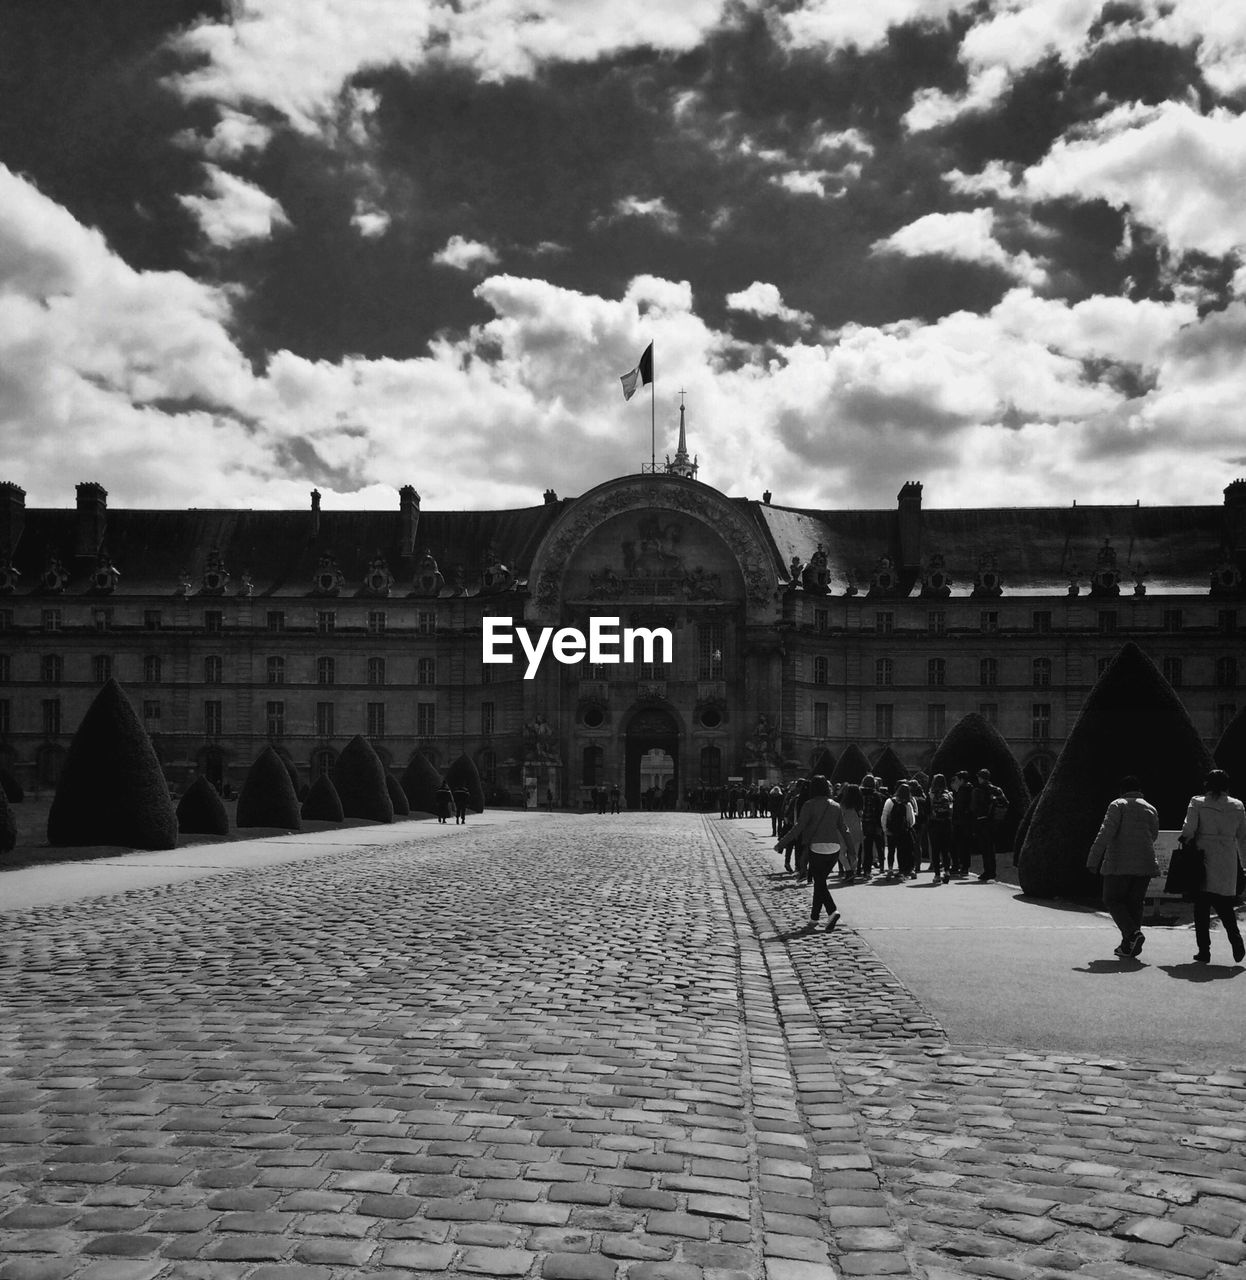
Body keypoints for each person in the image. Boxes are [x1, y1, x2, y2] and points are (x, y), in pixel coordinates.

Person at [1086, 775, 1159, 959]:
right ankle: (1128, 946)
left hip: (1119, 862)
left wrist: (1093, 859)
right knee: (1135, 903)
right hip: (1146, 862)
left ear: (1122, 790)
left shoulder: (1117, 805)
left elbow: (1105, 833)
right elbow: (1154, 835)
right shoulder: (1150, 808)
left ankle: (1133, 934)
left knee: (1112, 899)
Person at [1179, 769, 1246, 964]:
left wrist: (1185, 840)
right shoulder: (1238, 806)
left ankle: (1204, 951)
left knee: (1201, 907)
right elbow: (1243, 839)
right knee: (1225, 905)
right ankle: (1236, 941)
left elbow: (1188, 829)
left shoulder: (1198, 803)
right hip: (1227, 858)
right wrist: (1244, 865)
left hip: (1202, 857)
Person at [775, 775, 855, 931]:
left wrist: (781, 843)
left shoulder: (809, 805)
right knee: (820, 882)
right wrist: (852, 851)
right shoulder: (835, 805)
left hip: (817, 848)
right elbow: (844, 830)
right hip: (834, 848)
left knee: (819, 882)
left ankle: (832, 911)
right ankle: (814, 918)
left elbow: (798, 828)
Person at [969, 768, 1007, 882]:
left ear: (981, 778)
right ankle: (992, 871)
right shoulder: (996, 789)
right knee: (990, 847)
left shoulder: (978, 790)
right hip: (994, 821)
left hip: (982, 820)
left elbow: (974, 807)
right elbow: (1005, 802)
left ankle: (988, 871)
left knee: (985, 847)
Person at [882, 781, 917, 879]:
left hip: (892, 830)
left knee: (891, 850)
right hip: (903, 832)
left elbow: (884, 816)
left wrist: (885, 829)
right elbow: (912, 821)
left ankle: (890, 869)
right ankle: (904, 870)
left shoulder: (890, 801)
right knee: (903, 851)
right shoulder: (908, 804)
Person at [927, 773, 953, 883]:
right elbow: (951, 810)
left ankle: (937, 875)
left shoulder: (931, 795)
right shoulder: (949, 794)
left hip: (935, 824)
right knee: (945, 849)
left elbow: (928, 810)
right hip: (946, 824)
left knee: (936, 850)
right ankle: (947, 871)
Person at [859, 775, 884, 878]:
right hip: (875, 823)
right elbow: (879, 811)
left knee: (866, 848)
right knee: (879, 846)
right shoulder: (877, 795)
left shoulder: (860, 795)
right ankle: (882, 867)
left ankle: (865, 870)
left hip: (863, 823)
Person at [838, 783, 862, 884]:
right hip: (857, 828)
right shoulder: (859, 804)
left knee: (841, 853)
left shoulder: (843, 804)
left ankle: (848, 871)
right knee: (854, 854)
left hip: (845, 829)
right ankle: (852, 871)